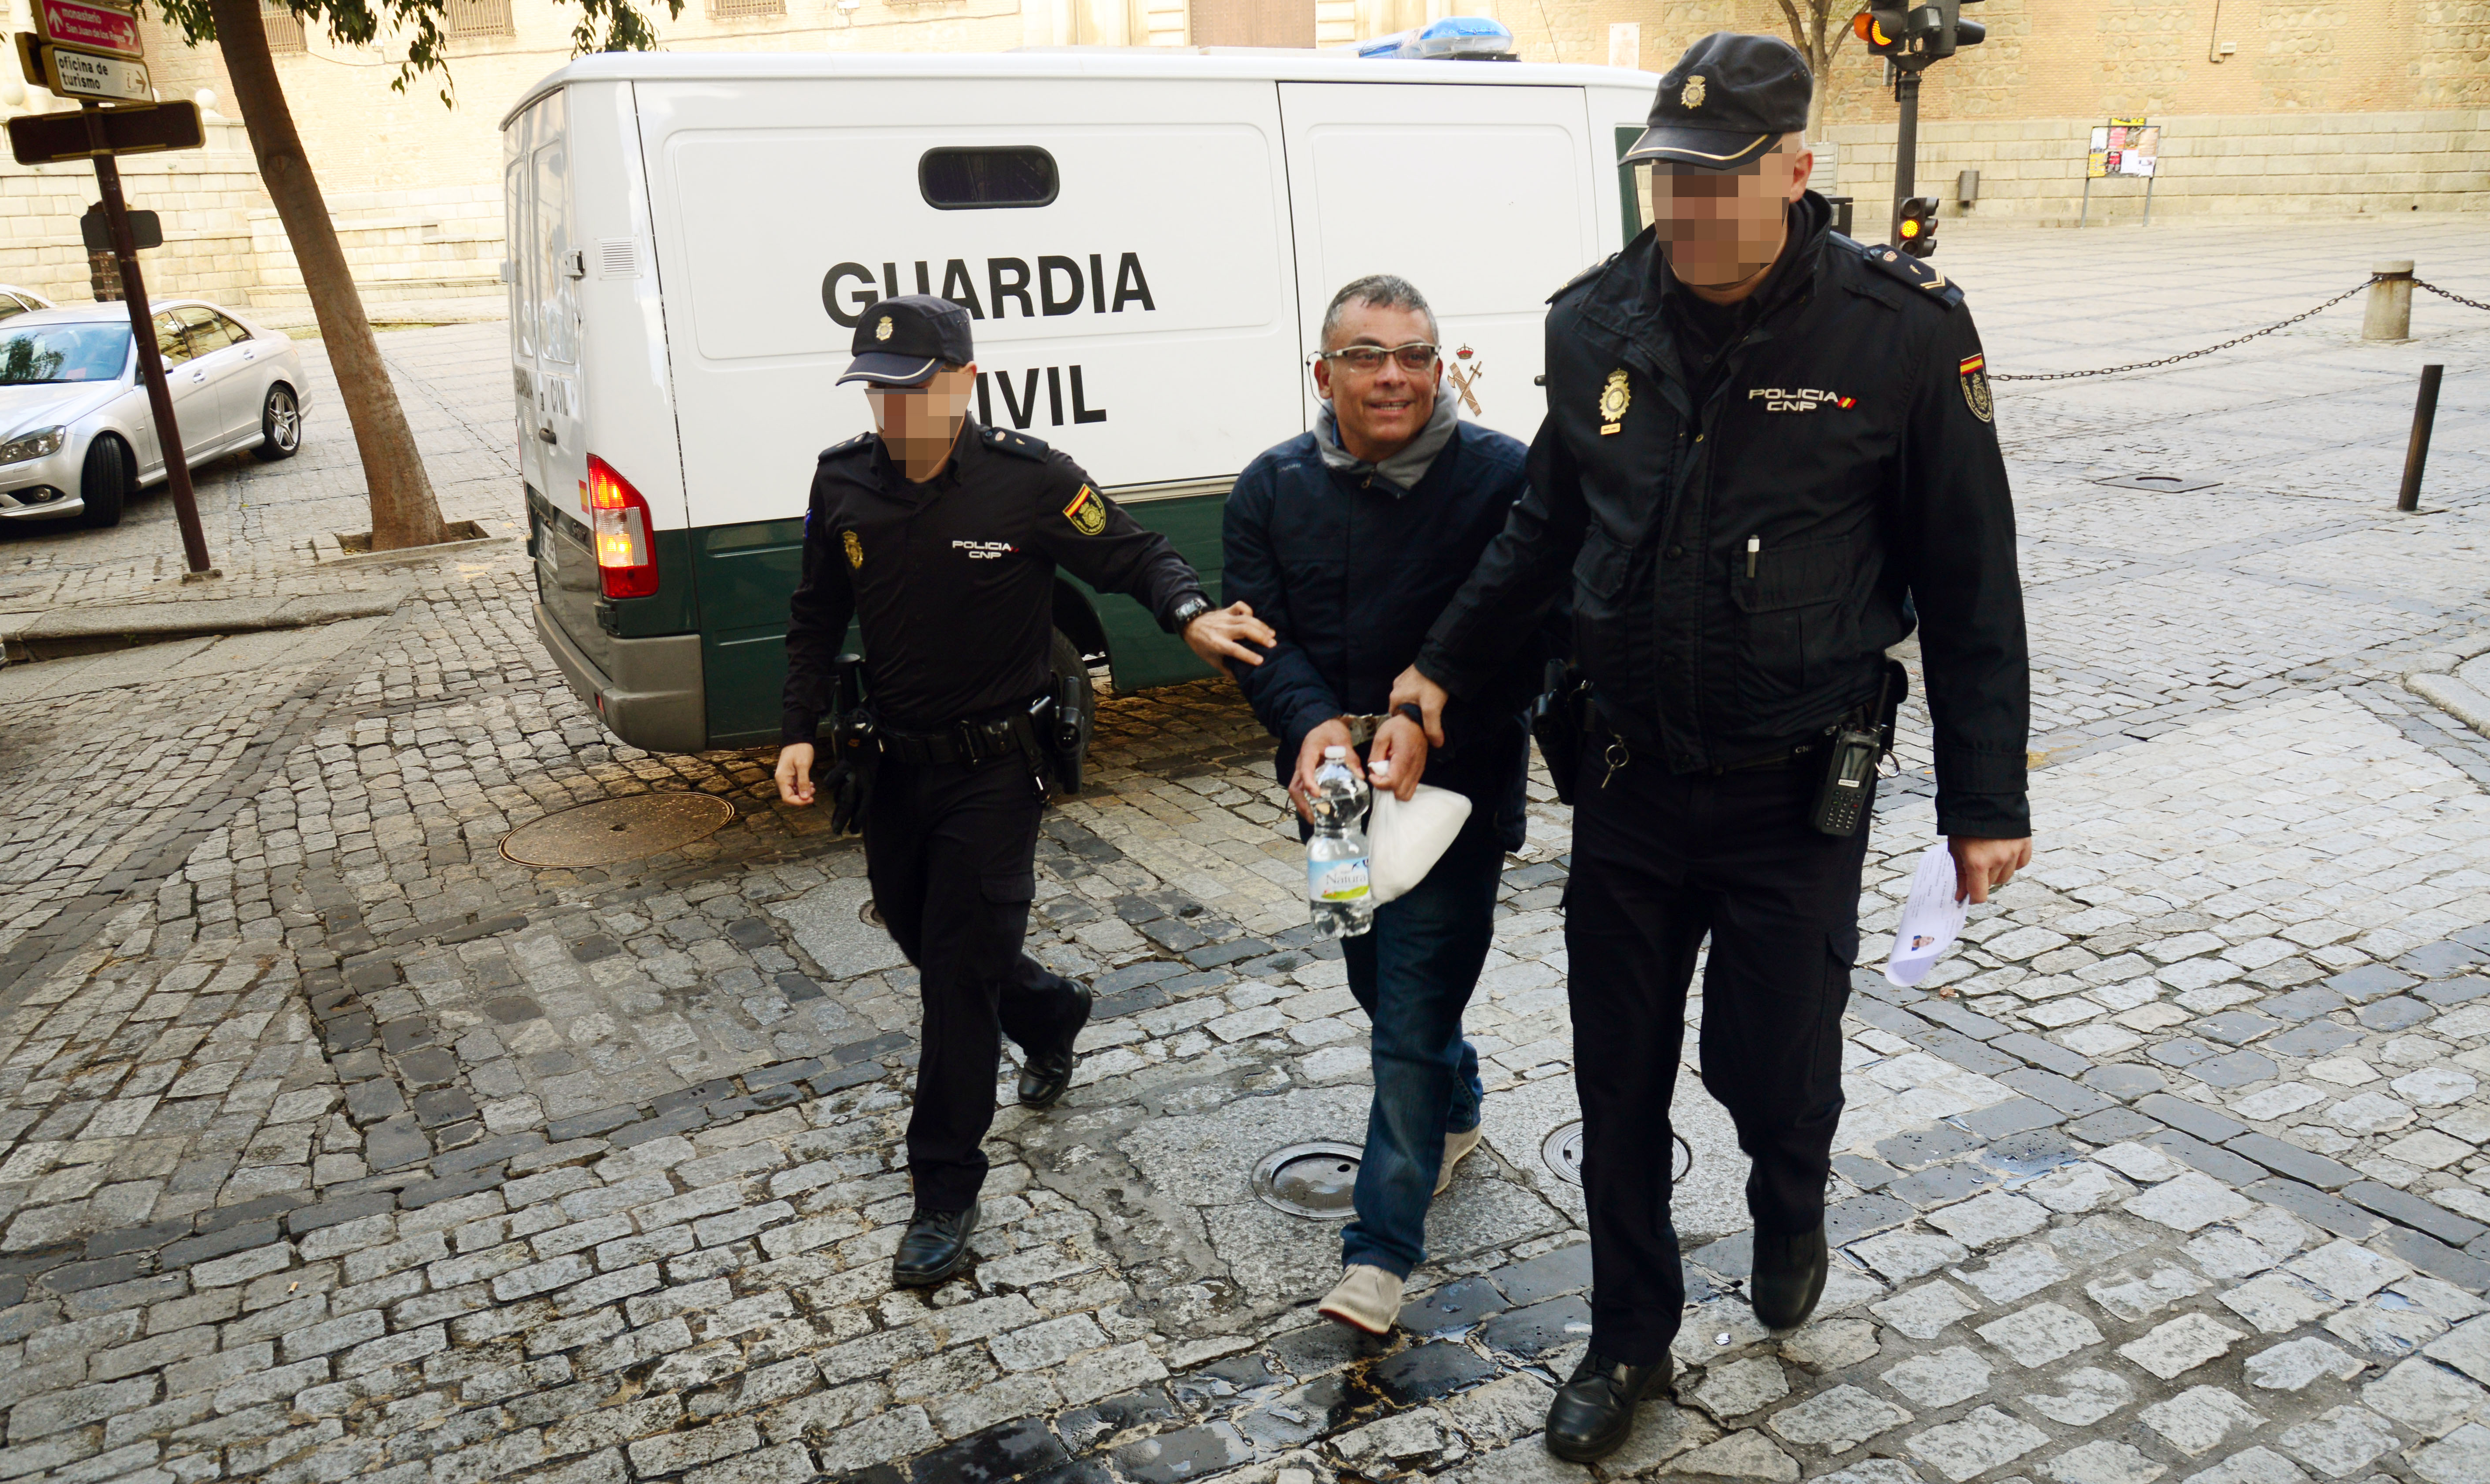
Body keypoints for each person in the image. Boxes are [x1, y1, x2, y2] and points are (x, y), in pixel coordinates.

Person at [1382, 33, 2033, 1462]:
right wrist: (1433, 666)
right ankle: (1627, 1336)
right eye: (1662, 177)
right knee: (1616, 1073)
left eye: (1714, 180)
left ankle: (1786, 1193)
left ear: (1795, 169)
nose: (1680, 208)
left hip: (1792, 794)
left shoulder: (1902, 330)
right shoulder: (1593, 319)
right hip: (1621, 783)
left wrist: (1984, 795)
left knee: (1768, 1063)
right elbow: (1545, 522)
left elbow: (1970, 574)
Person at [777, 294, 1276, 1286]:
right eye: (876, 391)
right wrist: (795, 727)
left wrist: (1187, 615)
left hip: (997, 771)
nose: (891, 412)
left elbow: (1134, 550)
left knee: (955, 976)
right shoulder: (842, 484)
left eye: (910, 389)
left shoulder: (1028, 479)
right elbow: (813, 614)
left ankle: (944, 1190)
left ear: (961, 381)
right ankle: (1048, 1011)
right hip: (893, 765)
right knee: (927, 934)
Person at [1222, 275, 1552, 1336]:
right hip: (1330, 803)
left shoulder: (1505, 477)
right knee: (1370, 971)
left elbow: (1531, 631)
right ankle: (1456, 1103)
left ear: (1440, 363)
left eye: (1414, 352)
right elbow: (1262, 638)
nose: (1393, 375)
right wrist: (1308, 719)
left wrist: (1439, 700)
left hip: (1450, 791)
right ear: (1323, 372)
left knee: (1408, 1009)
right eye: (1367, 354)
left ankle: (1378, 1251)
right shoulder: (1270, 486)